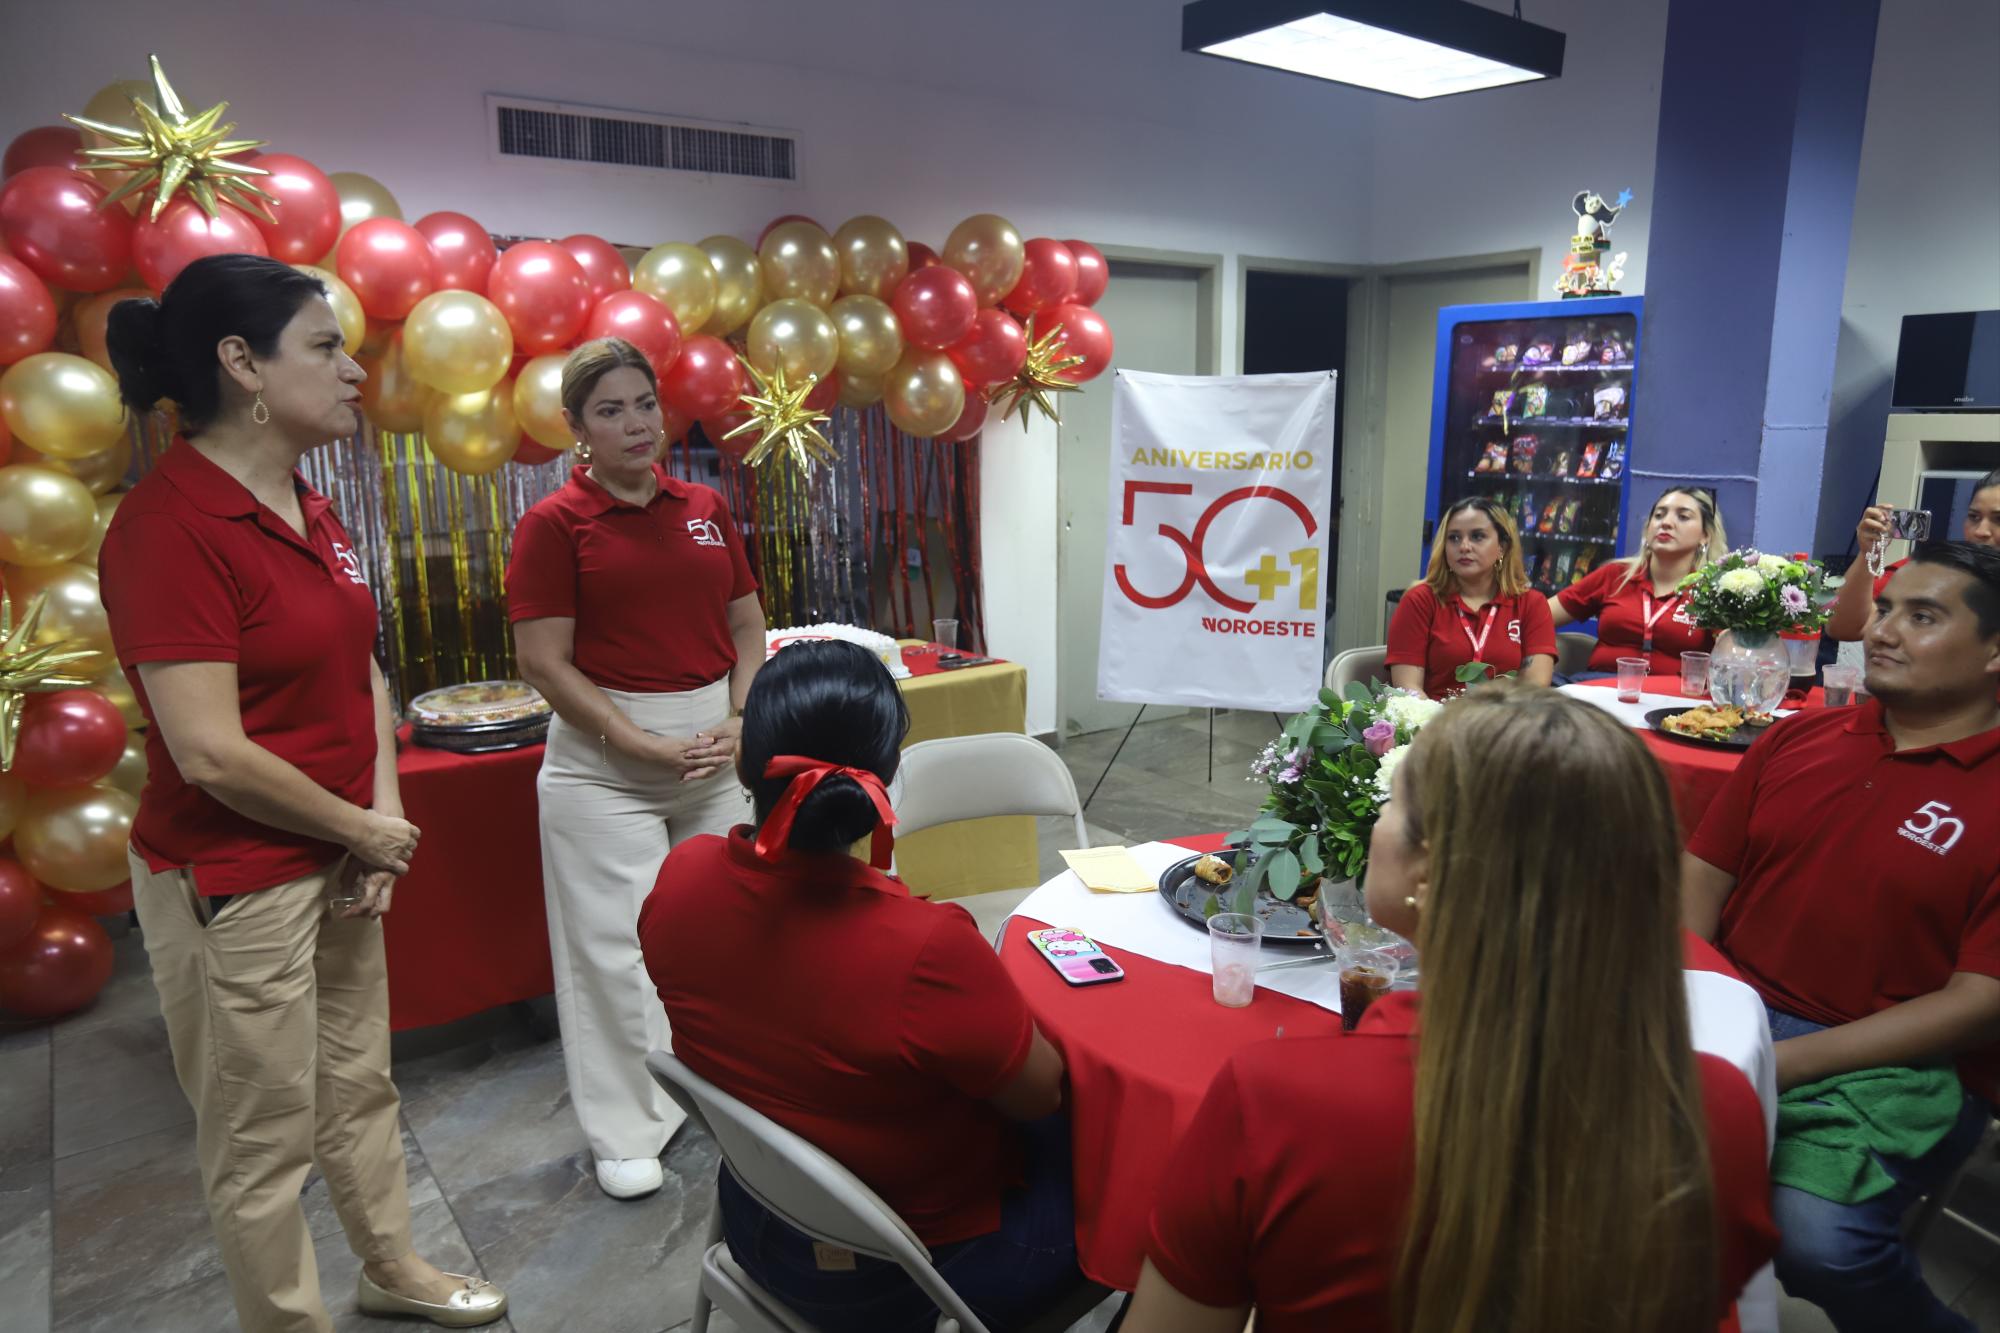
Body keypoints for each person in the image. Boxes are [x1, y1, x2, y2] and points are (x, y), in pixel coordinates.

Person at [98, 254, 505, 1331]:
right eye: (325, 348)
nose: (355, 372)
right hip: (235, 879)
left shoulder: (306, 503)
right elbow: (210, 753)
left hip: (338, 852)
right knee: (261, 1138)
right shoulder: (166, 526)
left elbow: (362, 670)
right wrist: (361, 826)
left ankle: (392, 1266)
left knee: (360, 1086)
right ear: (243, 365)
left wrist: (379, 825)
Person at [1125, 686, 1777, 1333]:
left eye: (1388, 806)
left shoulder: (1274, 1104)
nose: (1374, 823)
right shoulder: (1719, 1109)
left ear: (1428, 874)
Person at [637, 640, 1081, 1333]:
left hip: (760, 1221)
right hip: (913, 1277)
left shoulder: (683, 878)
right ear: (885, 780)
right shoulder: (925, 948)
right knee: (1124, 1161)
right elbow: (1040, 1092)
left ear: (744, 762)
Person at [1683, 540, 2000, 1333]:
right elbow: (1700, 881)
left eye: (1922, 617)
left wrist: (1774, 1062)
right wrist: (1698, 1002)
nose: (1883, 630)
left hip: (1889, 1062)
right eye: (1885, 610)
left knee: (1820, 1242)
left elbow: (1977, 1002)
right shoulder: (1798, 739)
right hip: (1734, 1005)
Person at [506, 337, 766, 1199]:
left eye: (645, 404)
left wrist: (738, 718)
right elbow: (545, 662)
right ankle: (627, 1127)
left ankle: (732, 1092)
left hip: (714, 749)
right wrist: (633, 740)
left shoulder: (704, 504)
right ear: (577, 428)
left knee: (727, 933)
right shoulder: (554, 524)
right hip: (604, 763)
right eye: (610, 410)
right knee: (615, 951)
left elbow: (746, 631)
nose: (635, 424)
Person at [1385, 496, 1555, 698]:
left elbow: (1535, 687)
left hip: (1506, 722)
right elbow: (1408, 689)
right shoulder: (1419, 600)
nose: (1464, 546)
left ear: (1502, 547)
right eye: (1454, 538)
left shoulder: (1531, 603)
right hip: (1435, 721)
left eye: (1477, 536)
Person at [1550, 485, 1727, 675]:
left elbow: (1735, 662)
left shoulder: (1713, 591)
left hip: (1674, 700)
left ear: (1705, 535)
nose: (1666, 523)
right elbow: (1538, 618)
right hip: (1599, 691)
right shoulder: (1615, 575)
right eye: (1659, 515)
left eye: (1683, 517)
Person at [1825, 468, 2000, 641]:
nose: (1981, 531)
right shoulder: (1930, 570)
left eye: (1998, 519)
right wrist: (1868, 554)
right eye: (1974, 517)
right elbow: (1843, 628)